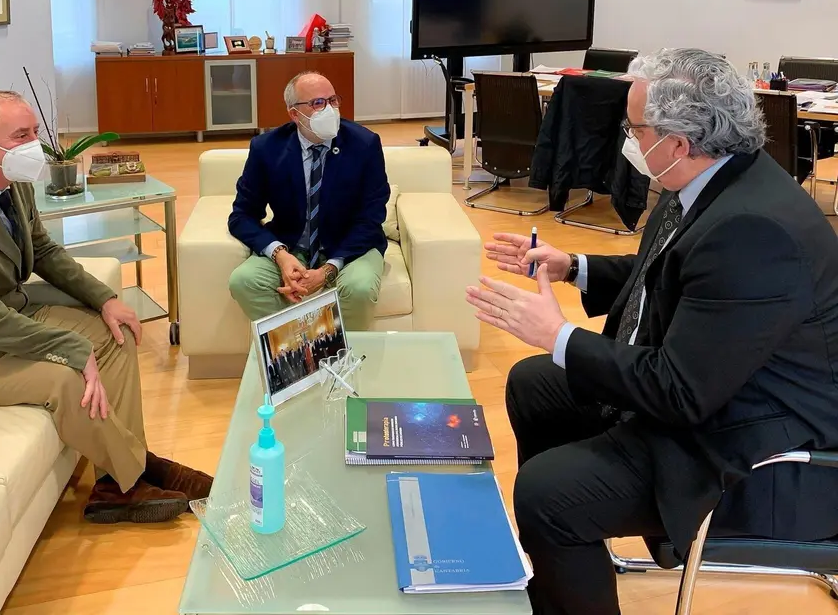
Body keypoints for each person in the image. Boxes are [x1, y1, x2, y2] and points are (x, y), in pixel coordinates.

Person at [465, 49, 838, 615]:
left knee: (547, 492)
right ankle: (567, 564)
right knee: (535, 384)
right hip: (713, 392)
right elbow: (673, 273)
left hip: (753, 451)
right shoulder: (716, 177)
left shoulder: (753, 231)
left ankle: (567, 528)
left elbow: (680, 391)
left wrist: (558, 335)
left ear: (678, 143)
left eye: (635, 129)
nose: (629, 139)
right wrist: (573, 266)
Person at [0, 89, 214, 525]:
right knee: (64, 377)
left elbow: (42, 249)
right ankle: (138, 471)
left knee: (116, 333)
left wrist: (105, 298)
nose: (34, 145)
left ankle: (117, 482)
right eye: (21, 135)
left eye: (34, 131)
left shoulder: (11, 181)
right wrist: (71, 348)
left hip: (2, 316)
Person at [228, 72, 389, 330]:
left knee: (359, 288)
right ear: (294, 114)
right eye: (318, 103)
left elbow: (372, 217)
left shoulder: (364, 144)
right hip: (293, 245)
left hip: (350, 247)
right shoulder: (267, 148)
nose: (329, 110)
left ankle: (336, 350)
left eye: (333, 100)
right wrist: (280, 255)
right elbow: (241, 215)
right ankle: (297, 346)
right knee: (243, 281)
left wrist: (329, 269)